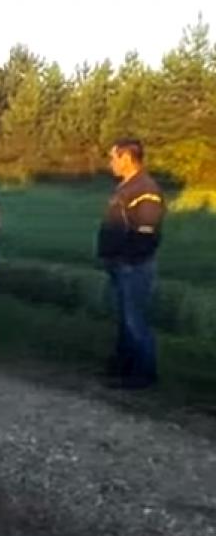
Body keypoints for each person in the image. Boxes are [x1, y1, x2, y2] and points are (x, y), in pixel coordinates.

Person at [99, 138, 165, 390]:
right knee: (125, 318)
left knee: (135, 319)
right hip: (119, 263)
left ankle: (144, 373)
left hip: (135, 266)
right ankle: (123, 367)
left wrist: (128, 258)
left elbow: (146, 233)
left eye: (113, 157)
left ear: (126, 157)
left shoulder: (145, 190)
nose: (111, 162)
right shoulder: (126, 187)